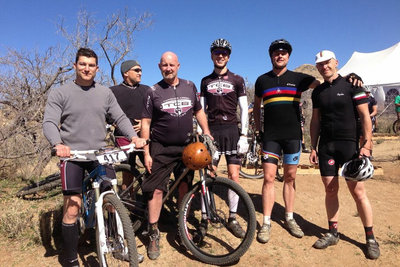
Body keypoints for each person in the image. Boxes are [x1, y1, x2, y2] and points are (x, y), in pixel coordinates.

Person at [43, 48, 147, 266]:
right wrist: (58, 144)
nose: (86, 68)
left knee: (112, 201)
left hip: (100, 154)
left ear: (97, 69)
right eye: (82, 64)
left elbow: (119, 116)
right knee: (73, 207)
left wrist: (134, 137)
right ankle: (70, 256)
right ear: (75, 66)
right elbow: (50, 122)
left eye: (91, 65)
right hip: (73, 155)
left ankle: (118, 246)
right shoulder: (61, 93)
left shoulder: (104, 93)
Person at [309, 50, 380, 259]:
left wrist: (366, 145)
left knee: (358, 193)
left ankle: (370, 238)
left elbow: (365, 116)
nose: (324, 67)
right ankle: (332, 232)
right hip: (326, 148)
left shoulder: (352, 85)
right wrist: (313, 146)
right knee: (330, 190)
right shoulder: (318, 92)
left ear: (336, 63)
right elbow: (315, 121)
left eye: (327, 63)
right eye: (320, 65)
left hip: (350, 147)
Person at [141, 51, 212, 260]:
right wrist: (146, 151)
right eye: (164, 65)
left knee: (185, 187)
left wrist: (206, 132)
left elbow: (199, 111)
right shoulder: (152, 91)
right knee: (155, 190)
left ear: (178, 66)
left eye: (172, 65)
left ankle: (182, 227)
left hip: (187, 146)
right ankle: (153, 231)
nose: (168, 68)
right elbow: (145, 122)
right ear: (159, 66)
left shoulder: (189, 86)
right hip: (161, 147)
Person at [253, 39, 319, 243]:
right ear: (271, 56)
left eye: (283, 53)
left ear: (288, 57)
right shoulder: (262, 80)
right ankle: (266, 222)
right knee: (269, 178)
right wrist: (258, 130)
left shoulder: (299, 78)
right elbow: (256, 107)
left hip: (292, 137)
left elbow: (324, 84)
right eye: (276, 53)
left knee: (290, 178)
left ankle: (289, 218)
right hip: (271, 137)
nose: (279, 56)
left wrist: (350, 80)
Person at [199, 38, 249, 238]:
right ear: (212, 55)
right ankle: (204, 217)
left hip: (232, 131)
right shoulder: (205, 81)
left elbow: (244, 108)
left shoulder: (237, 79)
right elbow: (200, 109)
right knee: (208, 176)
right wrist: (202, 133)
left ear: (229, 56)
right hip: (212, 132)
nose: (221, 56)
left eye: (224, 53)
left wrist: (244, 134)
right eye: (217, 52)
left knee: (234, 176)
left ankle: (233, 217)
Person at [110, 60, 150, 193]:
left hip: (144, 136)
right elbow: (106, 113)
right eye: (137, 70)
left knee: (151, 166)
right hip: (123, 137)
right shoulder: (113, 91)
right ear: (126, 73)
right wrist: (118, 124)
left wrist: (144, 124)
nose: (140, 73)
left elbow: (155, 110)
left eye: (141, 70)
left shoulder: (146, 90)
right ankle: (128, 200)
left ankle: (150, 197)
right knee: (127, 170)